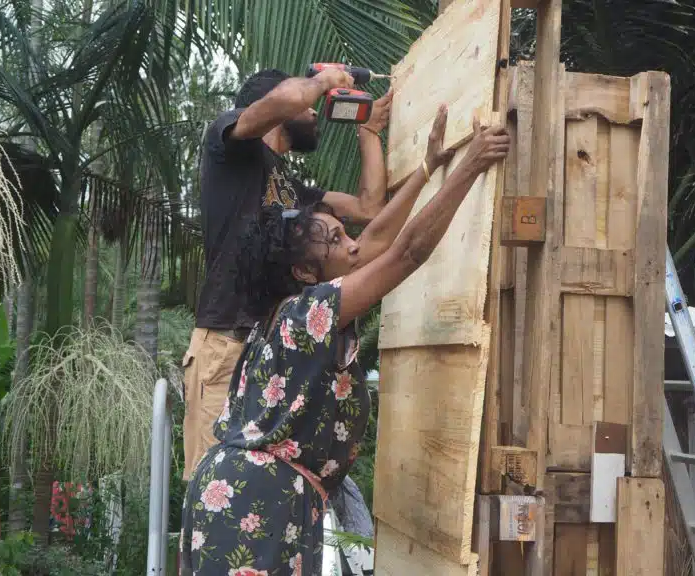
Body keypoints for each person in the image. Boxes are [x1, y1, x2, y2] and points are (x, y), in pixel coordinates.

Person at [179, 107, 511, 575]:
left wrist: (429, 168)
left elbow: (375, 238)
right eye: (335, 240)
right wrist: (471, 165)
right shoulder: (307, 313)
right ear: (304, 272)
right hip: (253, 498)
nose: (351, 244)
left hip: (250, 493)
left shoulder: (286, 317)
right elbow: (406, 253)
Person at [182, 66, 394, 483]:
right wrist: (323, 79)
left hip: (267, 351)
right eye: (307, 104)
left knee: (258, 490)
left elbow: (370, 208)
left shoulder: (292, 188)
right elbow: (291, 100)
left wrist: (368, 133)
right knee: (211, 492)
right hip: (226, 343)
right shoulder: (229, 147)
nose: (315, 112)